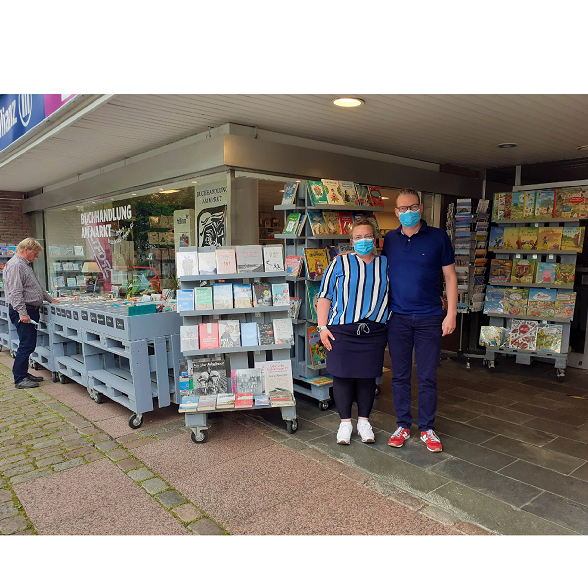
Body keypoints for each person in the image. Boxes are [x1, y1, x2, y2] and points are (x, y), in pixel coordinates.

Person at [383, 189, 457, 452]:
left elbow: (450, 277)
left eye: (412, 207)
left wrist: (451, 314)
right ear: (396, 212)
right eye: (402, 209)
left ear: (421, 207)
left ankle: (427, 428)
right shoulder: (389, 239)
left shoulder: (438, 237)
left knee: (427, 376)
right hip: (398, 318)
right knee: (400, 376)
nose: (408, 212)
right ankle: (403, 424)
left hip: (430, 318)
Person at [317, 219, 389, 445]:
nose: (363, 241)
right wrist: (322, 328)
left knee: (368, 378)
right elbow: (324, 296)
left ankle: (364, 422)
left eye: (367, 236)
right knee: (342, 377)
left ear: (375, 238)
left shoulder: (386, 264)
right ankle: (345, 423)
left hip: (374, 331)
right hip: (342, 330)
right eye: (358, 237)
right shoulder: (339, 263)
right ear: (351, 241)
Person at [4, 238, 60, 389]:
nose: (36, 257)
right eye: (35, 254)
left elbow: (36, 287)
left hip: (30, 310)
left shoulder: (25, 265)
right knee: (26, 344)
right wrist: (22, 313)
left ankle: (23, 373)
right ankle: (20, 379)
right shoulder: (16, 265)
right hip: (25, 311)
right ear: (26, 249)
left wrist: (50, 299)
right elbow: (15, 291)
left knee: (29, 344)